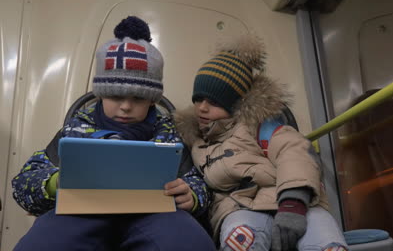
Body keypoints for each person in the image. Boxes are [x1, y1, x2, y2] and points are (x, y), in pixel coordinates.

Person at [11, 16, 215, 251]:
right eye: (116, 96)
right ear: (100, 95)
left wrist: (192, 195)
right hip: (82, 211)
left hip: (153, 214)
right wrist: (54, 183)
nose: (126, 106)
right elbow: (23, 183)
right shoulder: (76, 130)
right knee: (43, 243)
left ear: (152, 101)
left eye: (138, 98)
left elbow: (198, 182)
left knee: (191, 242)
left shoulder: (168, 134)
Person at [174, 34, 348, 251]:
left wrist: (292, 204)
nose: (202, 108)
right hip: (239, 208)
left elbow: (295, 154)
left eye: (214, 102)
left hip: (294, 203)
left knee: (328, 246)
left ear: (235, 104)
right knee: (240, 241)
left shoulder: (260, 126)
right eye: (198, 99)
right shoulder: (196, 143)